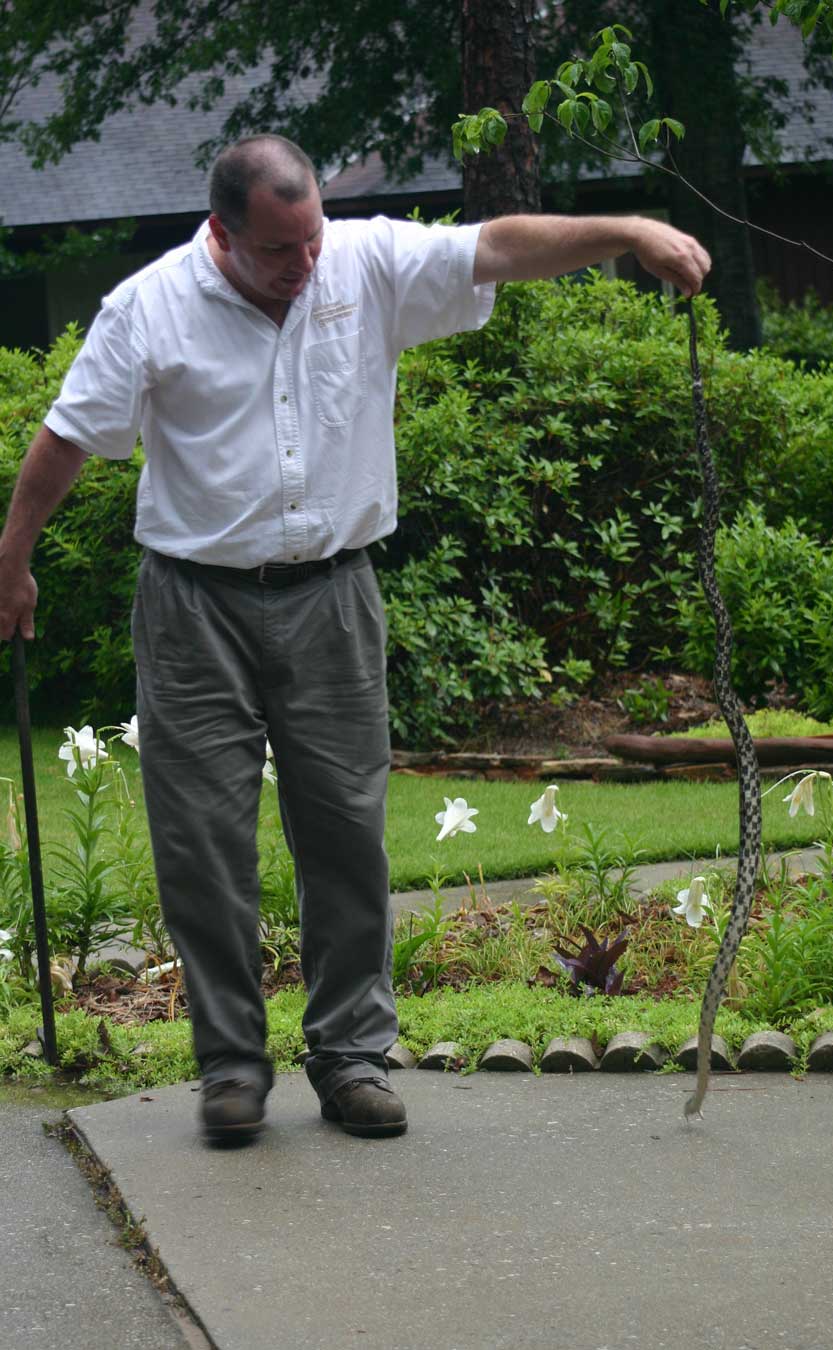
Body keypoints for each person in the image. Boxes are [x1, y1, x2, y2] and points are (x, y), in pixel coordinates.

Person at [0, 135, 711, 1146]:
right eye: (280, 249)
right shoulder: (149, 307)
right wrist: (12, 558)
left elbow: (497, 248)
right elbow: (67, 435)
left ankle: (351, 1057)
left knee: (345, 829)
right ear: (223, 234)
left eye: (313, 238)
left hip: (332, 595)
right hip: (192, 606)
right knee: (202, 843)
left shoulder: (362, 262)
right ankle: (232, 1071)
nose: (305, 263)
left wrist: (628, 232)